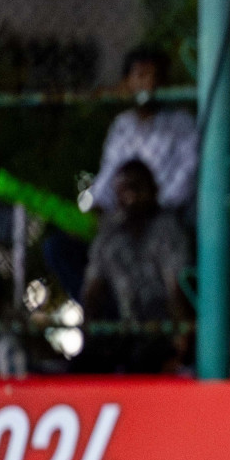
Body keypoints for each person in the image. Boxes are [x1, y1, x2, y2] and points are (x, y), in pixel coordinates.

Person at [43, 45, 198, 303]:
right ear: (127, 83)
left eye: (154, 77)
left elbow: (182, 184)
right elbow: (106, 180)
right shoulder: (122, 126)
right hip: (120, 219)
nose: (147, 84)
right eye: (140, 76)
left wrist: (142, 210)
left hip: (163, 218)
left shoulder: (182, 124)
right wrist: (93, 211)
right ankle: (105, 319)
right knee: (59, 246)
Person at [81, 159, 192, 372]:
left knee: (144, 359)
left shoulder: (168, 228)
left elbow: (176, 288)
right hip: (127, 328)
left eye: (137, 187)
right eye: (123, 190)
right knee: (85, 365)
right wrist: (89, 338)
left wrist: (181, 340)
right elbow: (92, 292)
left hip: (164, 329)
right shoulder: (109, 234)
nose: (130, 195)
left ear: (153, 189)